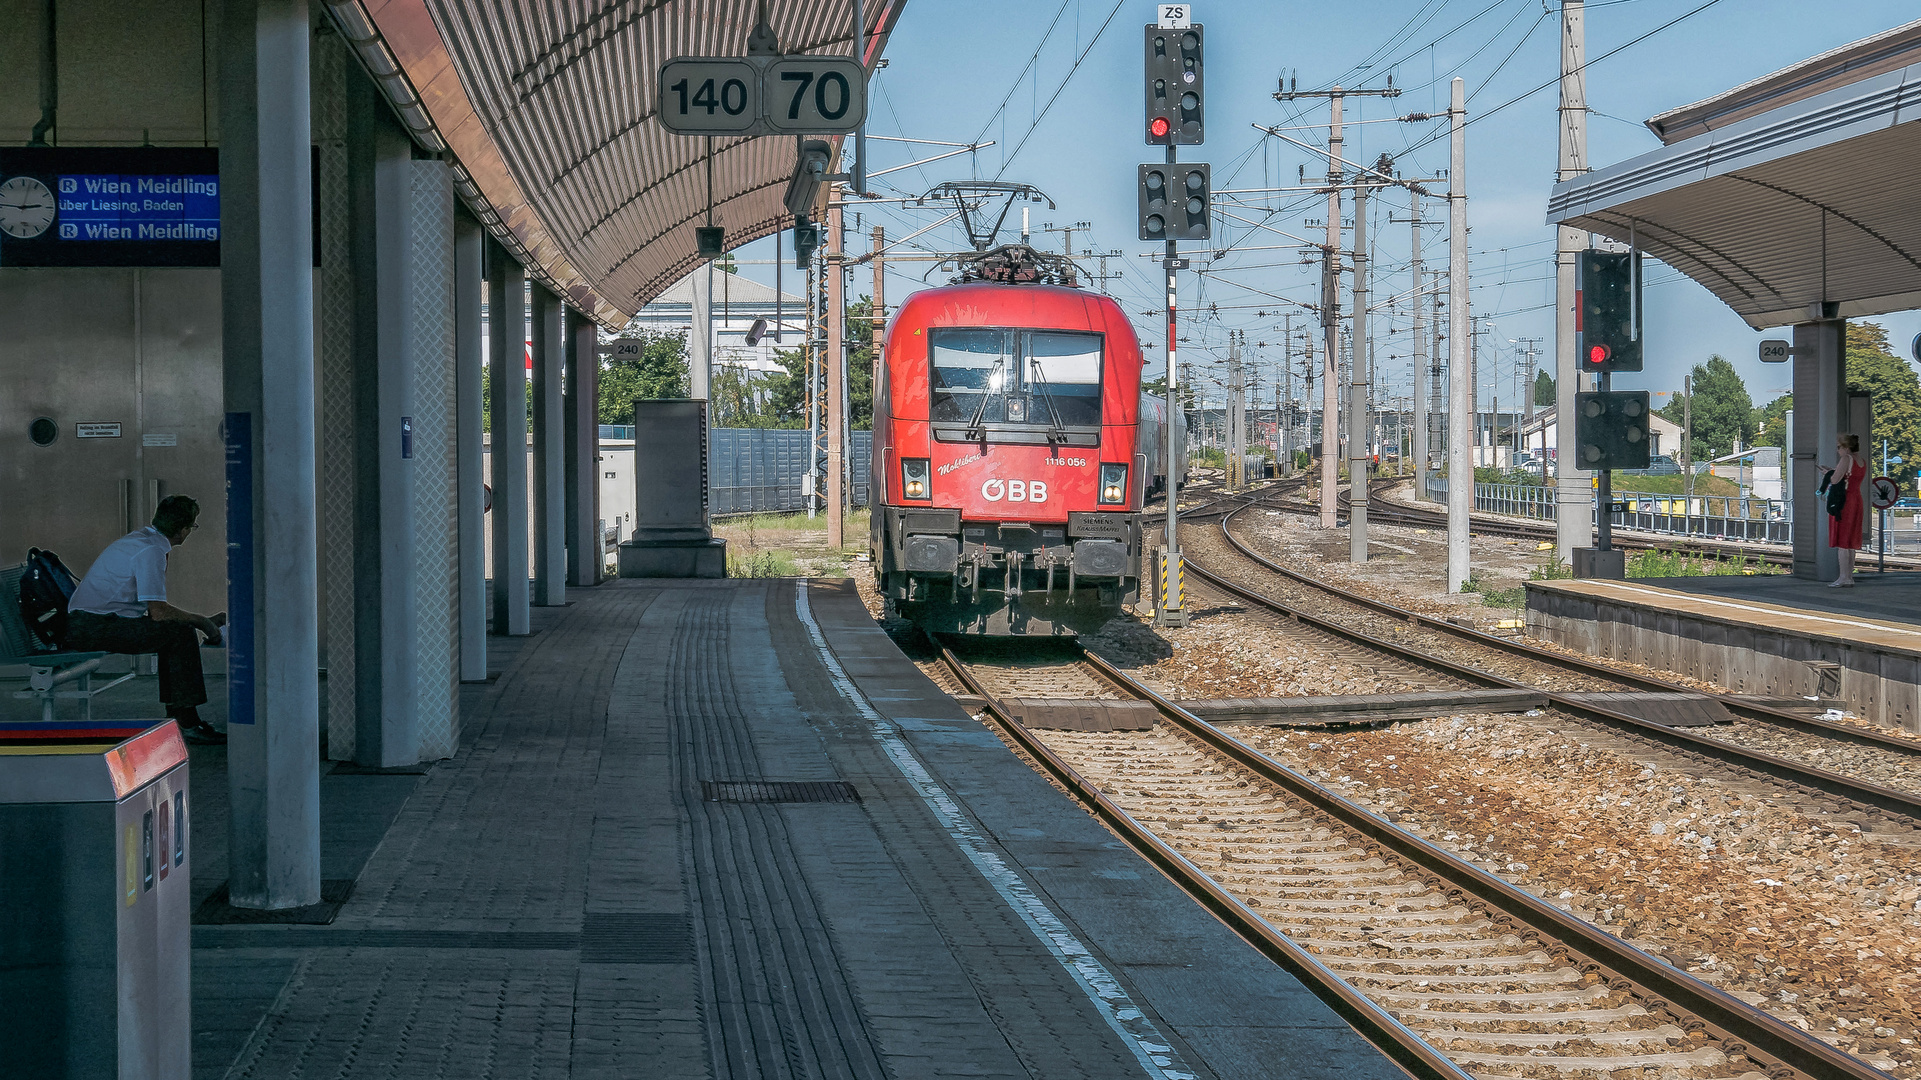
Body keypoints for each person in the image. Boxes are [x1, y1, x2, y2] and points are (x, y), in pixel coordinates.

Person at [66, 495, 227, 743]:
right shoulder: (152, 550)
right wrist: (200, 622)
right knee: (179, 635)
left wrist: (197, 620)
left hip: (88, 621)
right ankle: (188, 723)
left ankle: (181, 717)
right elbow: (158, 612)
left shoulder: (142, 539)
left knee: (174, 631)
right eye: (192, 526)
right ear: (183, 530)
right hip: (93, 626)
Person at [1822, 433, 1868, 587]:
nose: (1838, 450)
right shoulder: (1861, 461)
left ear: (1847, 448)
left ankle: (1843, 577)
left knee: (1842, 541)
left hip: (1844, 501)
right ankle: (1849, 576)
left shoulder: (1846, 459)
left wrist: (1828, 474)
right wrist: (1834, 471)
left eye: (1839, 447)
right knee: (1850, 541)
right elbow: (1848, 476)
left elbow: (1835, 479)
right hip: (1857, 499)